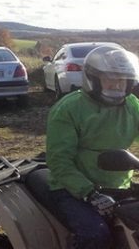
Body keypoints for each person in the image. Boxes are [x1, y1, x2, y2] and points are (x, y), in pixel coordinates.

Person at [45, 45, 139, 249]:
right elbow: (59, 160)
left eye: (122, 80)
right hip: (73, 189)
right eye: (110, 79)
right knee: (95, 234)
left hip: (118, 185)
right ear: (92, 78)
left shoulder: (131, 105)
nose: (116, 86)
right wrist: (89, 193)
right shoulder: (69, 108)